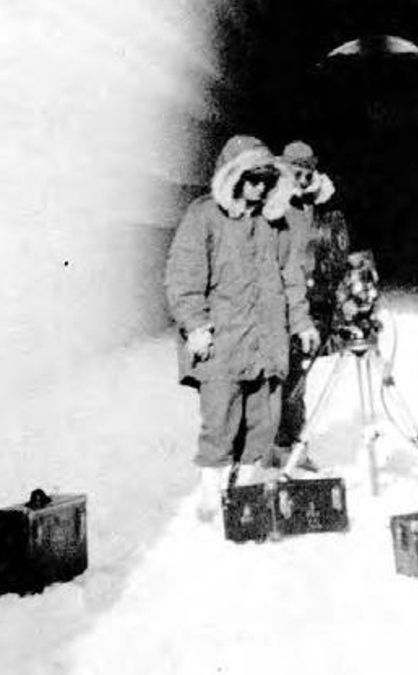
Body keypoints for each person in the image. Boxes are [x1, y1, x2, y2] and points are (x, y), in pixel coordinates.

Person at [165, 134, 320, 521]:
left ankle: (247, 496)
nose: (260, 186)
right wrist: (195, 325)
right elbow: (183, 278)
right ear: (233, 177)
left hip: (268, 341)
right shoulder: (203, 216)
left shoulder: (277, 224)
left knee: (263, 424)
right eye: (252, 177)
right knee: (219, 423)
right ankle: (210, 496)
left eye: (268, 179)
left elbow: (291, 278)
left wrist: (300, 321)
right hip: (223, 344)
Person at [266, 140, 350, 470]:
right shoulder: (273, 207)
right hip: (278, 303)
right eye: (293, 172)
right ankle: (272, 446)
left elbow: (335, 251)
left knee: (298, 379)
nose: (300, 179)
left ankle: (293, 446)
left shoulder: (323, 207)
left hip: (311, 304)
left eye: (306, 173)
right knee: (276, 378)